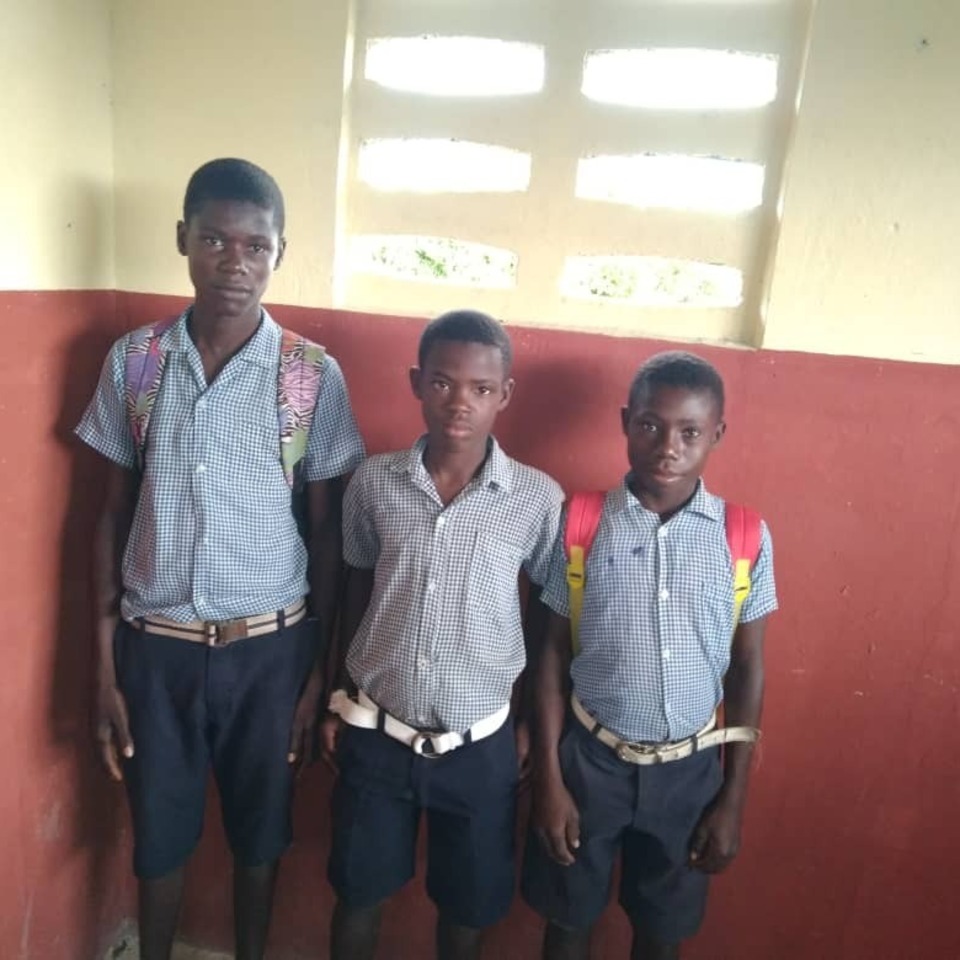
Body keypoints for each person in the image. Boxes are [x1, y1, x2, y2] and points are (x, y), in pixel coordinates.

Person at [76, 158, 365, 960]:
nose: (234, 265)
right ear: (183, 241)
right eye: (213, 241)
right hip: (154, 649)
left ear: (280, 253)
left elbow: (330, 536)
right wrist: (102, 670)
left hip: (269, 654)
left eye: (254, 247)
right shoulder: (135, 363)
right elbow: (108, 515)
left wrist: (317, 673)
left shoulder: (310, 377)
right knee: (157, 842)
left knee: (260, 840)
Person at [321, 309, 564, 960]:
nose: (460, 402)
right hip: (377, 731)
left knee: (467, 911)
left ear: (504, 395)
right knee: (358, 896)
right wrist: (338, 698)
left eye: (482, 389)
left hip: (481, 743)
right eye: (443, 382)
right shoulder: (374, 482)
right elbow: (354, 589)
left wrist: (528, 728)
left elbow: (546, 616)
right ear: (416, 382)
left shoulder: (537, 499)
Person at [522, 351, 778, 960]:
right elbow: (550, 654)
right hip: (589, 763)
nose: (668, 446)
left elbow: (748, 669)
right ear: (625, 421)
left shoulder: (743, 536)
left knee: (662, 934)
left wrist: (732, 796)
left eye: (690, 432)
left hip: (690, 775)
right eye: (649, 425)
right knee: (568, 924)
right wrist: (551, 783)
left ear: (717, 433)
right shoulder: (580, 524)